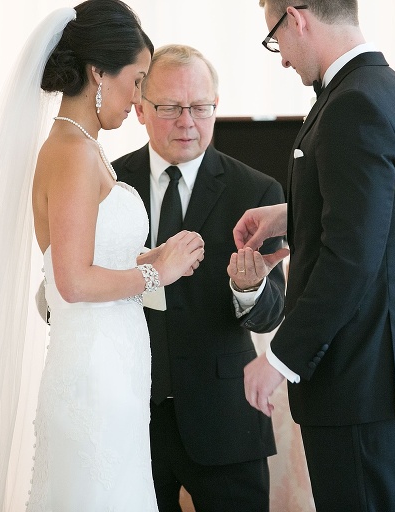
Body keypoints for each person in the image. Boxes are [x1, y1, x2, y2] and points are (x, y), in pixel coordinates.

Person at [0, 2, 203, 511]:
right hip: (92, 378)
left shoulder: (86, 148)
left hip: (116, 370)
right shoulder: (71, 152)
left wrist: (153, 256)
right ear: (98, 73)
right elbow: (70, 280)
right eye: (137, 81)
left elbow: (95, 254)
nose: (139, 99)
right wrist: (156, 272)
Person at [234, 2, 395, 511]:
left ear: (297, 18)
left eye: (274, 38)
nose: (281, 58)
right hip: (380, 375)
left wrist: (279, 358)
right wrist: (290, 213)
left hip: (359, 377)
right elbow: (378, 220)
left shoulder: (353, 105)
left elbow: (350, 259)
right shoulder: (391, 92)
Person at [112, 44, 287, 512]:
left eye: (201, 107)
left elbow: (273, 313)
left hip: (226, 420)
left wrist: (249, 289)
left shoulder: (258, 191)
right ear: (141, 110)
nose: (187, 121)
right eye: (169, 107)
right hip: (129, 419)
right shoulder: (109, 184)